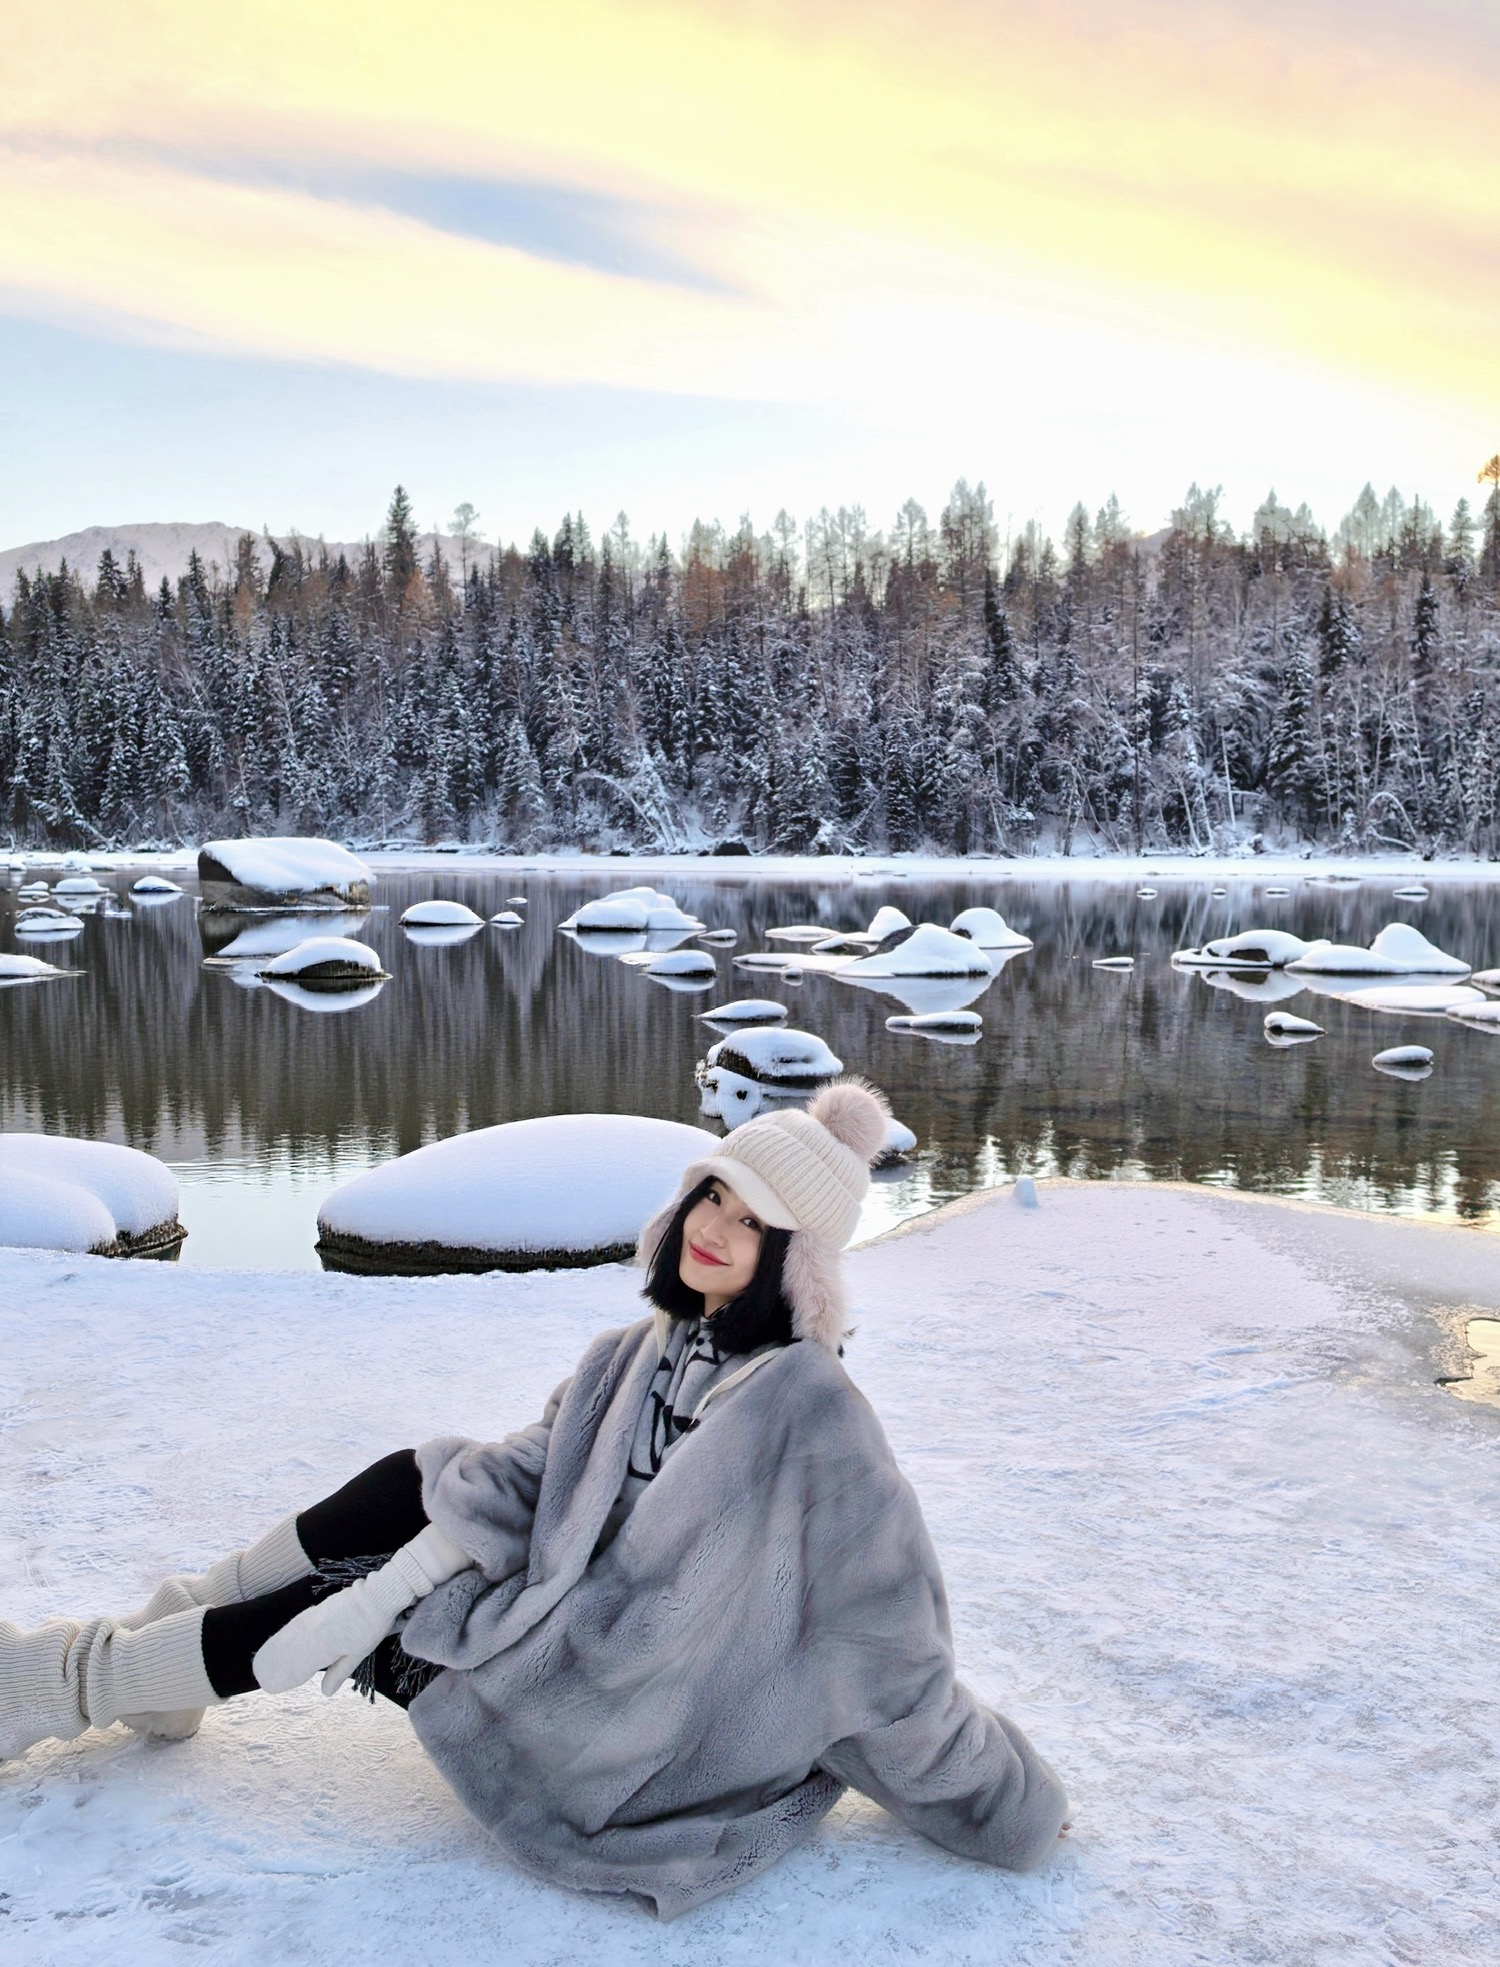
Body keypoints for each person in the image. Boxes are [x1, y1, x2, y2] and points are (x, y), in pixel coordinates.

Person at [1, 1079, 1069, 1918]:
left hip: (623, 1715)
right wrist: (403, 1565)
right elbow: (533, 1470)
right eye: (713, 1195)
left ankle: (62, 1682)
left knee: (364, 1599)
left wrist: (1009, 1804)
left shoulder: (813, 1417)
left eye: (754, 1222)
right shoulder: (637, 1351)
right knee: (415, 1481)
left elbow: (891, 1648)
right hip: (572, 1617)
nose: (716, 1228)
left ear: (795, 1264)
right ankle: (156, 1653)